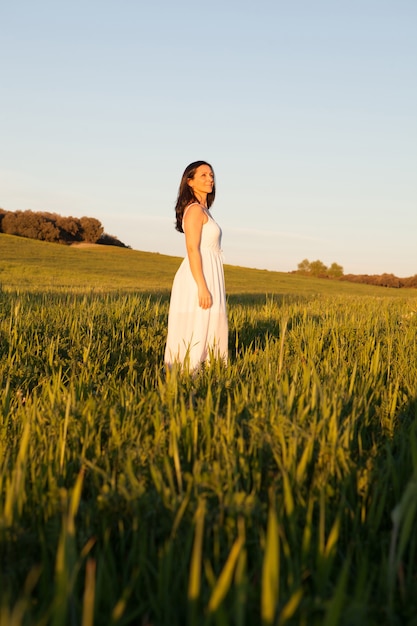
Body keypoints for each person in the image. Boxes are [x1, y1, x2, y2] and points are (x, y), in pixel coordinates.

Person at [164, 161, 228, 371]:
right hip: (198, 276)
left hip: (210, 272)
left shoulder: (205, 210)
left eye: (211, 175)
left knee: (211, 324)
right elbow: (193, 249)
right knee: (198, 324)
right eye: (203, 175)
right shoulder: (194, 211)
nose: (210, 178)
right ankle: (187, 375)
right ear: (189, 181)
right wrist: (201, 286)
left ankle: (210, 372)